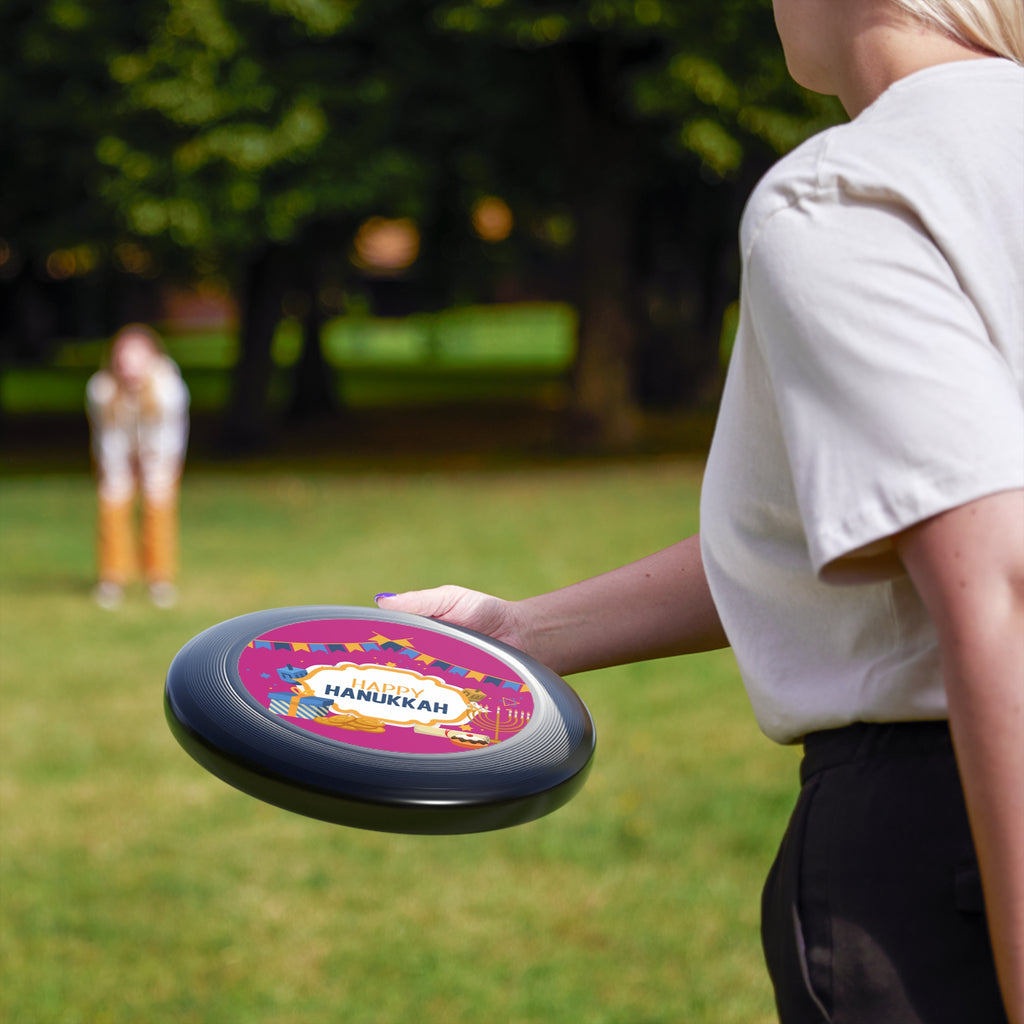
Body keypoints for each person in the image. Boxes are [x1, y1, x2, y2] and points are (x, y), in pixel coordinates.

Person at [375, 1, 1024, 1020]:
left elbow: (999, 582)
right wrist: (522, 631)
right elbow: (874, 520)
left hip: (951, 843)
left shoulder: (852, 191)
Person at [86, 323, 190, 609]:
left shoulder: (169, 389)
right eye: (123, 358)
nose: (129, 366)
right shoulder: (101, 389)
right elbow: (107, 436)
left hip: (159, 454)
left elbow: (169, 436)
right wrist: (118, 471)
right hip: (117, 452)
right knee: (112, 503)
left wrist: (153, 466)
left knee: (158, 507)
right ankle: (112, 578)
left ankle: (159, 579)